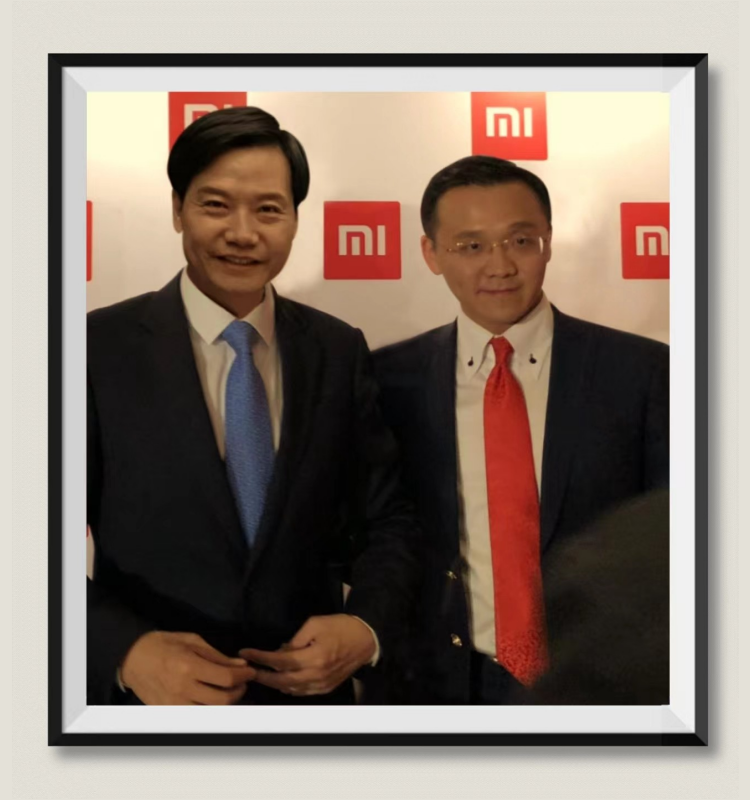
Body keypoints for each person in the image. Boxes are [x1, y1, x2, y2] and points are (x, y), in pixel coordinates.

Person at [87, 106, 422, 706]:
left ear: (295, 220)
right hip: (149, 709)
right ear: (177, 209)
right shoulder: (92, 349)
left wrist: (365, 626)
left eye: (269, 209)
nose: (243, 233)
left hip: (307, 705)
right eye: (215, 205)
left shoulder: (337, 349)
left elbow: (387, 516)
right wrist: (122, 652)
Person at [372, 156, 669, 704]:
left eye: (521, 241)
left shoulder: (643, 372)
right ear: (431, 254)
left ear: (548, 242)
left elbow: (667, 532)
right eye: (471, 246)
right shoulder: (388, 380)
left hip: (599, 676)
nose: (501, 265)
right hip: (437, 682)